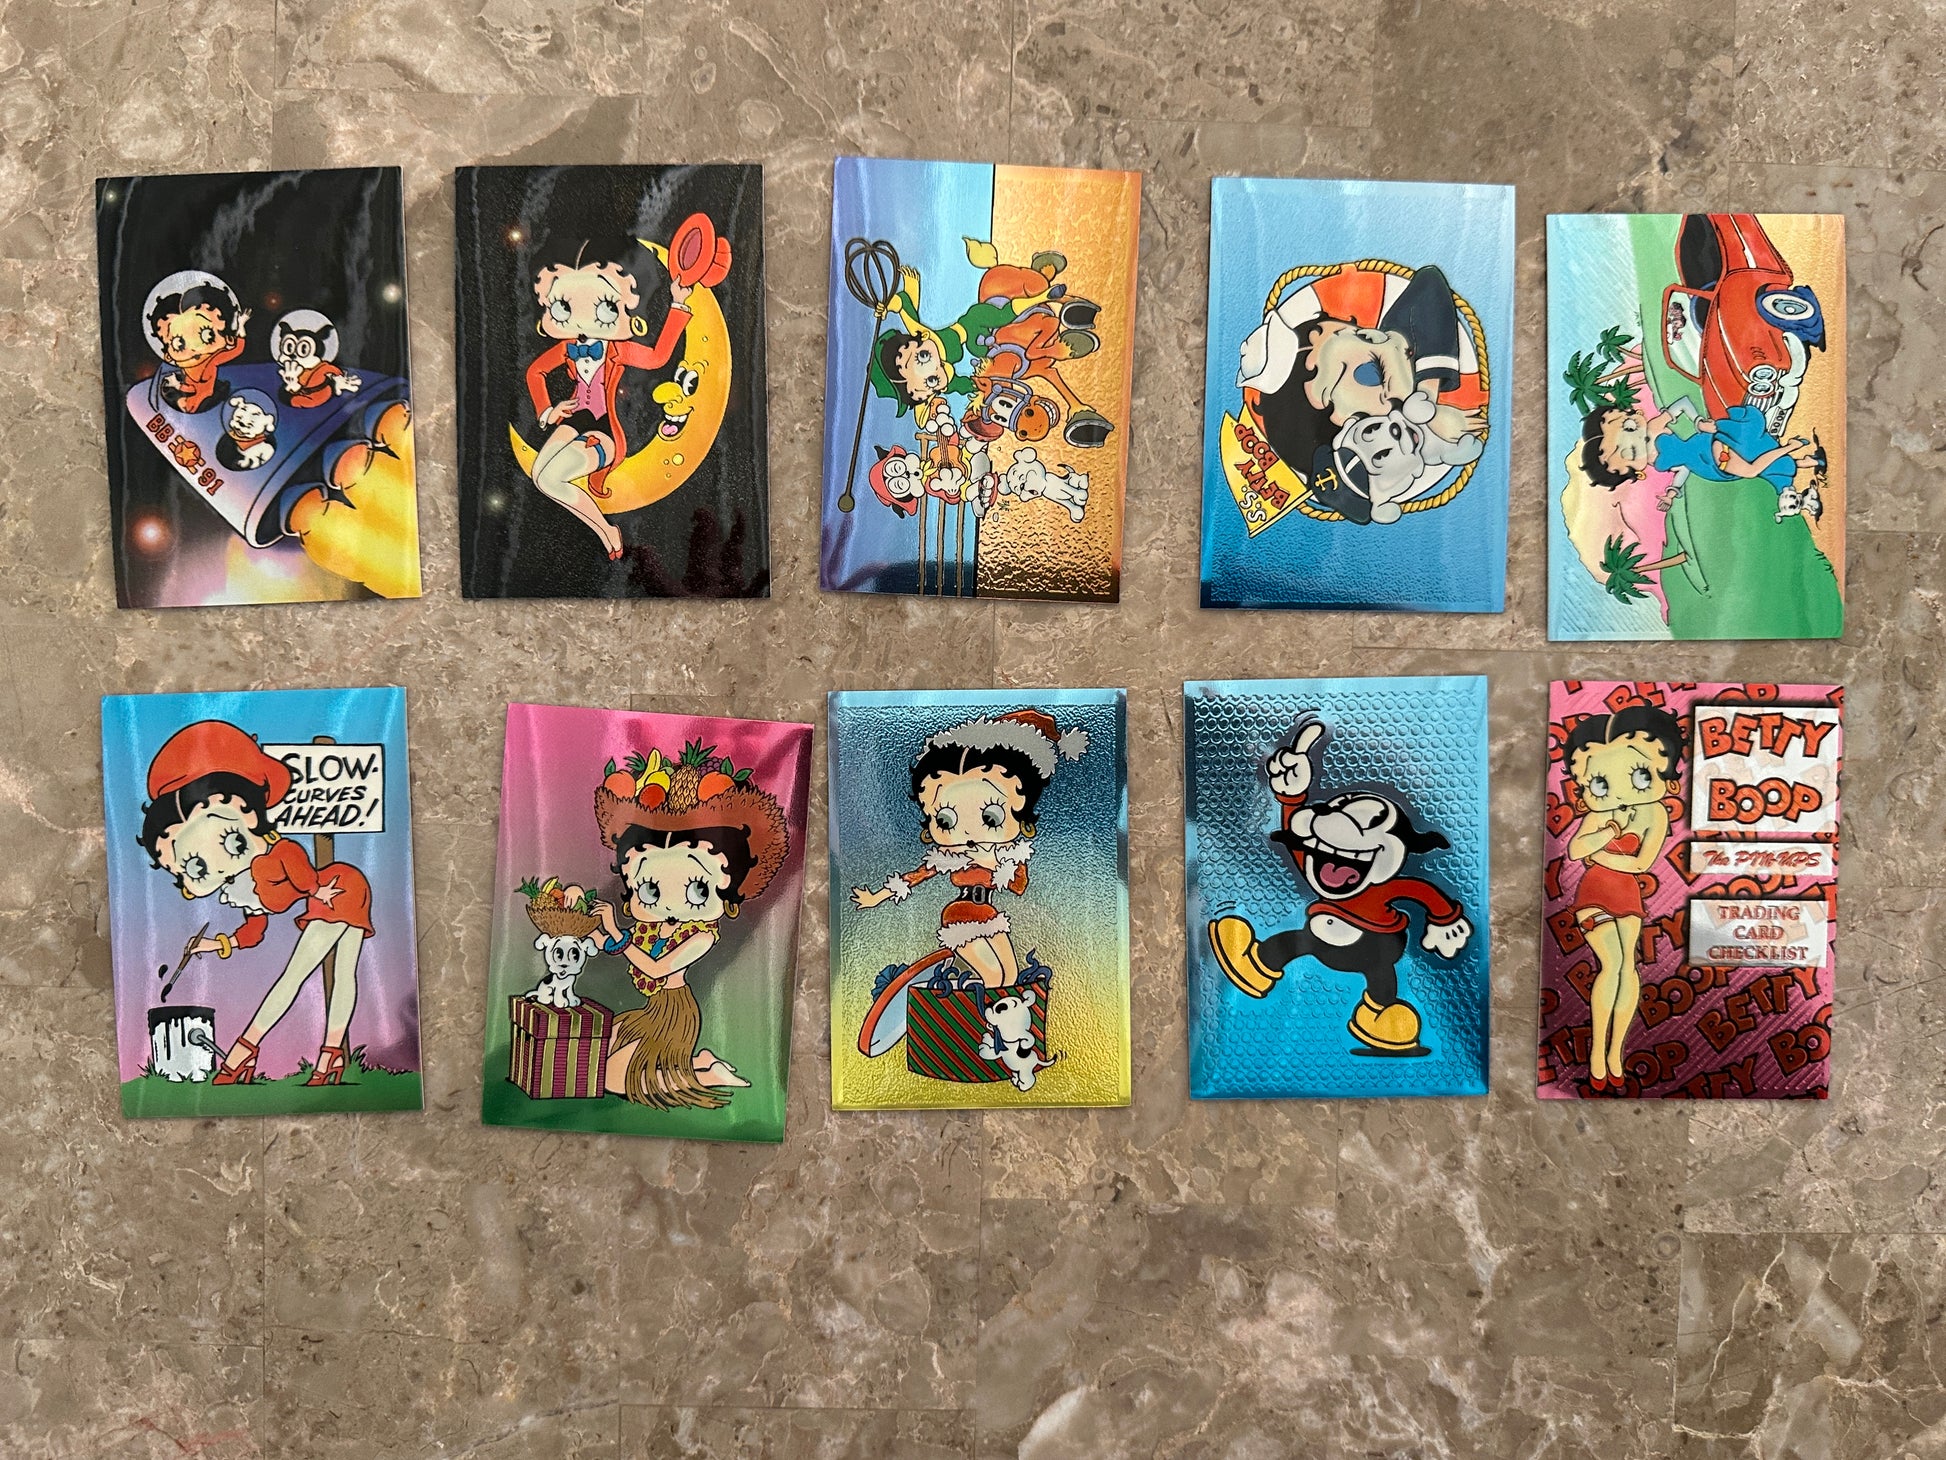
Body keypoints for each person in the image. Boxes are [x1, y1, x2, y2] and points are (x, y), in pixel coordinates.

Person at [139, 721, 373, 1086]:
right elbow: (254, 930)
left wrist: (314, 890)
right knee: (340, 973)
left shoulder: (273, 855)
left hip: (337, 890)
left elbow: (296, 863)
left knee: (301, 974)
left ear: (247, 815)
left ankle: (246, 1049)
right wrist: (215, 944)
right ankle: (331, 1054)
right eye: (193, 869)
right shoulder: (244, 882)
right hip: (326, 896)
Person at [591, 743, 789, 1108]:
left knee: (616, 1080)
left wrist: (615, 932)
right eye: (650, 889)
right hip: (649, 1009)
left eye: (697, 889)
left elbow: (656, 967)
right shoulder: (655, 927)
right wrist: (595, 932)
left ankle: (706, 1074)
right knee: (596, 1053)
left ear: (726, 891)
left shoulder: (701, 937)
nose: (668, 904)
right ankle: (698, 1063)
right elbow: (622, 948)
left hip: (674, 1014)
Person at [851, 709, 1088, 990]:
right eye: (945, 820)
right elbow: (915, 877)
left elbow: (1018, 887)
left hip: (988, 913)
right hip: (959, 915)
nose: (966, 833)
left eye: (990, 817)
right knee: (992, 978)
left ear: (1021, 813)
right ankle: (961, 1010)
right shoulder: (951, 857)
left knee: (1009, 977)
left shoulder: (1007, 856)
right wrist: (876, 897)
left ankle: (978, 1011)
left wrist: (997, 862)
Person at [1561, 702, 1682, 1092]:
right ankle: (1597, 1052)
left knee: (1627, 965)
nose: (1615, 792)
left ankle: (1616, 1052)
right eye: (1599, 783)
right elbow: (1575, 850)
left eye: (1641, 775)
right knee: (1611, 963)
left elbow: (1642, 863)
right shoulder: (1600, 815)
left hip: (1627, 894)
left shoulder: (1655, 813)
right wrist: (1609, 832)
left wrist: (1601, 851)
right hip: (1594, 893)